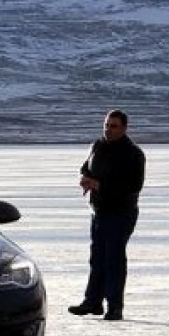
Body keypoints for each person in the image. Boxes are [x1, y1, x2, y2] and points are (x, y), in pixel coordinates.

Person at [69, 109, 146, 321]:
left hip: (121, 212)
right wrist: (85, 179)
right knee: (97, 257)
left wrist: (100, 185)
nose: (108, 130)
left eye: (113, 126)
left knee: (114, 258)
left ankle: (115, 306)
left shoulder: (133, 154)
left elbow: (133, 185)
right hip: (99, 211)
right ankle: (93, 301)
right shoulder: (98, 146)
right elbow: (85, 167)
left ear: (123, 128)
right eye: (106, 125)